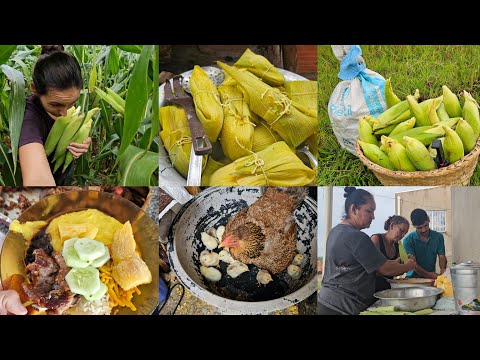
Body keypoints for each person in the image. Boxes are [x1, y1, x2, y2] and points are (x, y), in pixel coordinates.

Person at [318, 187, 416, 315]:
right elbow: (383, 269)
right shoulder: (357, 237)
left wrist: (398, 263)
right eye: (369, 211)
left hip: (326, 301)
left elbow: (378, 264)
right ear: (354, 209)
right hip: (343, 306)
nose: (373, 216)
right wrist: (408, 266)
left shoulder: (335, 231)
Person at [19, 45, 91, 186]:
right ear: (34, 89)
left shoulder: (63, 99)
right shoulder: (28, 119)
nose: (64, 112)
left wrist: (82, 139)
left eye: (72, 103)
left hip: (65, 172)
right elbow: (37, 180)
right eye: (55, 105)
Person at [402, 208, 447, 280]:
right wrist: (428, 275)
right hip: (412, 280)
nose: (424, 230)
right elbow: (413, 264)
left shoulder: (439, 237)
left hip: (431, 279)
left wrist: (443, 270)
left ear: (429, 220)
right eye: (419, 228)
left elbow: (442, 256)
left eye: (426, 225)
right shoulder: (407, 241)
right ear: (413, 225)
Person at [371, 215, 410, 292]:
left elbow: (397, 272)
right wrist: (407, 266)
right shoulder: (376, 239)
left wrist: (406, 262)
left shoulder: (397, 245)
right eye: (401, 230)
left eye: (405, 233)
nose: (402, 235)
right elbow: (374, 269)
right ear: (392, 226)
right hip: (372, 289)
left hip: (388, 289)